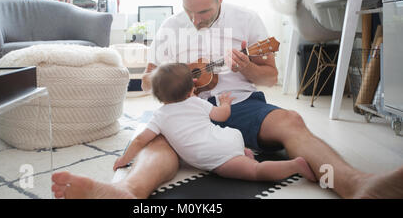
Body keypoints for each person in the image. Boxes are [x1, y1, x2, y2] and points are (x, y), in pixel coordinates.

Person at [52, 0, 403, 199]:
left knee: (292, 121)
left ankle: (357, 184)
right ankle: (127, 192)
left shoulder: (248, 20)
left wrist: (251, 70)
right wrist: (173, 76)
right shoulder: (171, 27)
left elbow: (272, 76)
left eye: (203, 12)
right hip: (182, 110)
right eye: (189, 10)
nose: (195, 19)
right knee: (154, 140)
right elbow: (146, 83)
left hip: (240, 105)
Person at [113, 63, 317, 184]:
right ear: (191, 90)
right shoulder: (197, 102)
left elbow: (140, 140)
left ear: (157, 96)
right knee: (232, 144)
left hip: (217, 156)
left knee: (255, 172)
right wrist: (226, 103)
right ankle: (243, 152)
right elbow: (221, 116)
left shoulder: (160, 116)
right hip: (229, 136)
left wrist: (124, 159)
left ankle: (294, 166)